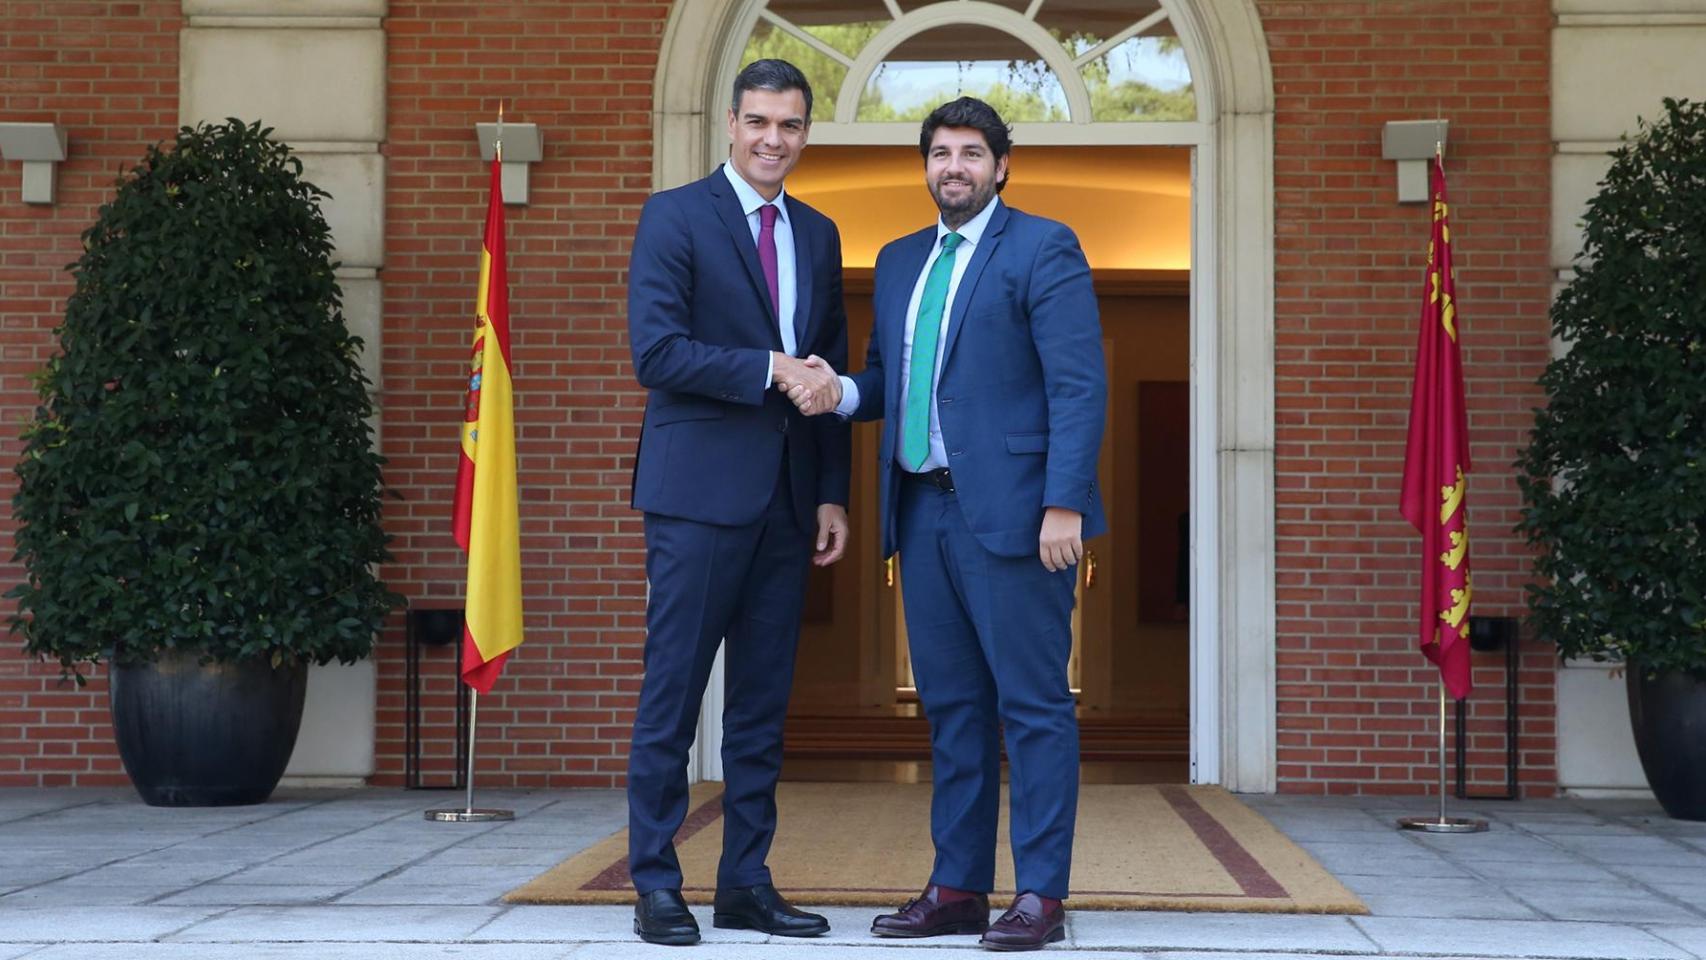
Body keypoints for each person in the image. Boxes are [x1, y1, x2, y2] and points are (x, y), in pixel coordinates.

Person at [794, 96, 1105, 951]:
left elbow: (1078, 385)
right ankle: (959, 887)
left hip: (1020, 517)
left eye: (971, 153)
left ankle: (1041, 895)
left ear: (1001, 166)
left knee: (1033, 708)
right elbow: (886, 380)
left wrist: (1065, 503)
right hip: (921, 510)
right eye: (940, 153)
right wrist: (837, 390)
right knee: (953, 711)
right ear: (925, 165)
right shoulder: (900, 260)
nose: (954, 167)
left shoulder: (1043, 246)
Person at [623, 58, 849, 947]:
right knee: (673, 697)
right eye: (758, 121)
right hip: (696, 498)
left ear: (805, 134)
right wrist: (768, 368)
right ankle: (654, 882)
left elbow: (828, 372)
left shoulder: (819, 233)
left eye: (789, 125)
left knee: (760, 709)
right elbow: (657, 353)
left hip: (788, 503)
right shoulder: (675, 215)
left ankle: (746, 883)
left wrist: (831, 493)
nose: (772, 139)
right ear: (730, 123)